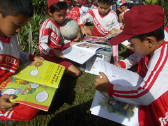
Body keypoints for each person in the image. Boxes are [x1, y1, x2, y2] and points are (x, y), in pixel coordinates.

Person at [94, 4, 168, 126]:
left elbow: (145, 95)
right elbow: (139, 55)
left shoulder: (163, 58)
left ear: (149, 41)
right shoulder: (153, 46)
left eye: (132, 44)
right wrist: (123, 64)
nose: (131, 47)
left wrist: (109, 88)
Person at [0, 0, 44, 122]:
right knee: (28, 110)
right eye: (16, 25)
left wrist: (30, 57)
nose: (19, 30)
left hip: (12, 80)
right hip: (3, 89)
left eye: (22, 26)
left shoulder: (11, 35)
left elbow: (15, 53)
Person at [39, 0, 81, 78]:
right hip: (50, 57)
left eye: (64, 14)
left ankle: (55, 67)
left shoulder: (59, 24)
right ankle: (53, 67)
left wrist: (72, 40)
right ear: (50, 12)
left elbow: (60, 41)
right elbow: (41, 44)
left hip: (59, 52)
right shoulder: (47, 25)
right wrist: (53, 51)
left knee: (79, 43)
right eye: (59, 15)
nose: (62, 18)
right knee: (76, 73)